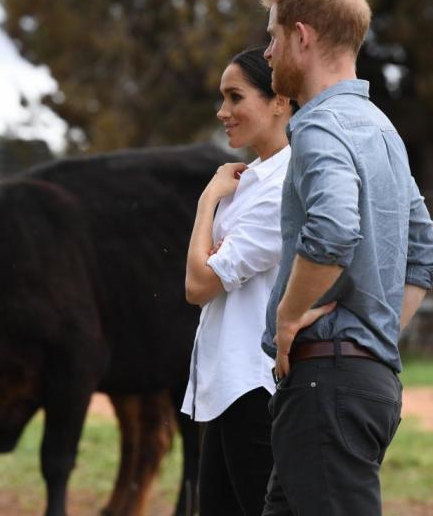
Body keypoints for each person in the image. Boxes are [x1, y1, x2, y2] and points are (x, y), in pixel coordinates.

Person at [258, 0, 433, 515]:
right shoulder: (381, 129)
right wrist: (374, 335)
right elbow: (425, 251)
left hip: (327, 386)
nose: (266, 52)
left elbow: (334, 230)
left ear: (302, 36)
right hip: (357, 384)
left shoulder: (318, 128)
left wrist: (288, 319)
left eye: (271, 36)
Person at [182, 46, 293, 515]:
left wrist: (207, 200)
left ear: (279, 101)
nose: (222, 112)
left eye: (235, 97)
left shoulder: (283, 185)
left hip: (255, 385)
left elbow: (198, 284)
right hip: (229, 385)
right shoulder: (249, 179)